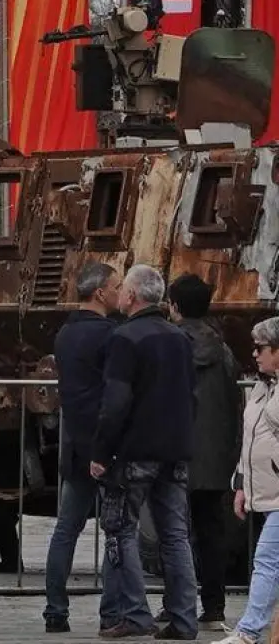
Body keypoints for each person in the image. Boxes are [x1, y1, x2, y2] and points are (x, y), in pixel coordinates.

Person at [90, 265, 197, 640]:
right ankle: (184, 617)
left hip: (136, 452)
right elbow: (191, 396)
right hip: (175, 449)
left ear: (132, 296)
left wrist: (101, 451)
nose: (120, 294)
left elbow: (116, 401)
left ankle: (136, 613)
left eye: (123, 289)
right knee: (175, 534)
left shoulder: (126, 338)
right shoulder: (180, 338)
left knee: (121, 531)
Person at [44, 262, 122, 633]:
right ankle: (113, 611)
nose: (121, 292)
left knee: (67, 528)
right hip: (106, 444)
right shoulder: (111, 335)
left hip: (75, 443)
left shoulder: (66, 334)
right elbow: (115, 393)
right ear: (100, 293)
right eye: (117, 285)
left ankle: (55, 610)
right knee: (118, 529)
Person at [168, 273, 241, 631]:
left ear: (174, 306)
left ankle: (175, 606)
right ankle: (213, 608)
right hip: (214, 458)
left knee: (173, 532)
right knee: (211, 533)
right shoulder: (224, 350)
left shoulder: (168, 346)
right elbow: (233, 406)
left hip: (174, 453)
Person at [210, 316, 279, 644]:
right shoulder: (262, 387)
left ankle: (249, 632)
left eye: (261, 348)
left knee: (266, 559)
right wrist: (242, 485)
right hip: (267, 490)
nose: (255, 354)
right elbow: (250, 440)